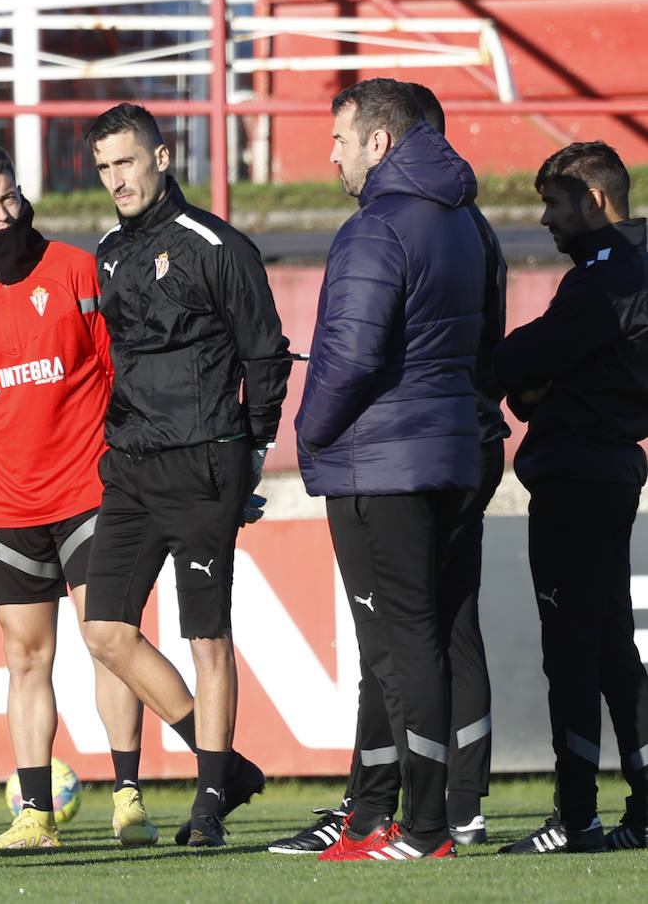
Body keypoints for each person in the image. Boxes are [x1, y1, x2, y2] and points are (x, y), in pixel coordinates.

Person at [268, 81, 506, 855]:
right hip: (453, 451)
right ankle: (402, 813)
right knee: (432, 635)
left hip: (382, 461)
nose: (329, 153)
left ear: (379, 143)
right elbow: (486, 346)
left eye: (340, 138)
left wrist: (309, 433)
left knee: (399, 644)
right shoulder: (468, 222)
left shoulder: (376, 227)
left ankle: (425, 822)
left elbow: (350, 355)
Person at [0, 143, 157, 850]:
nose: (6, 212)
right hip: (9, 507)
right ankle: (35, 817)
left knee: (109, 644)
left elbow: (112, 365)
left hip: (92, 493)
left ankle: (129, 800)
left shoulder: (76, 270)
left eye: (12, 197)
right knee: (25, 659)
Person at [79, 103, 289, 848]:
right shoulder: (107, 251)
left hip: (205, 461)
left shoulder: (218, 245)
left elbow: (265, 353)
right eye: (104, 168)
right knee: (104, 631)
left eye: (127, 162)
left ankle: (208, 803)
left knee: (206, 636)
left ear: (162, 158)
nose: (116, 179)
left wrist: (252, 451)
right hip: (130, 468)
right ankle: (225, 764)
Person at [492, 141, 648, 854]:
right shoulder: (616, 272)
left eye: (554, 203)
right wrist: (538, 382)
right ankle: (641, 811)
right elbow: (537, 373)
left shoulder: (604, 279)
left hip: (579, 481)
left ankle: (576, 816)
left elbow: (520, 361)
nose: (546, 219)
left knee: (574, 652)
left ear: (595, 199)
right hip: (609, 473)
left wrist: (533, 382)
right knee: (614, 649)